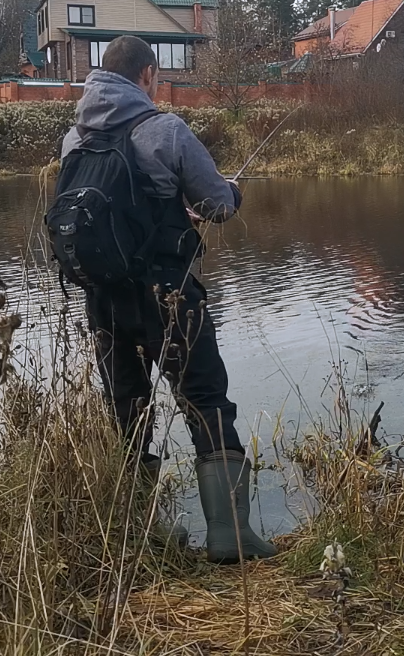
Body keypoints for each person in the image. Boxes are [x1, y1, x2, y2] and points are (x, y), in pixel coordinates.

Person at [60, 35, 276, 563]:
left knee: (127, 408)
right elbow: (219, 204)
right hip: (168, 296)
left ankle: (146, 534)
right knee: (205, 400)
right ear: (148, 76)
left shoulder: (73, 139)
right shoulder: (165, 129)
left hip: (103, 300)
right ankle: (230, 537)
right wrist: (222, 195)